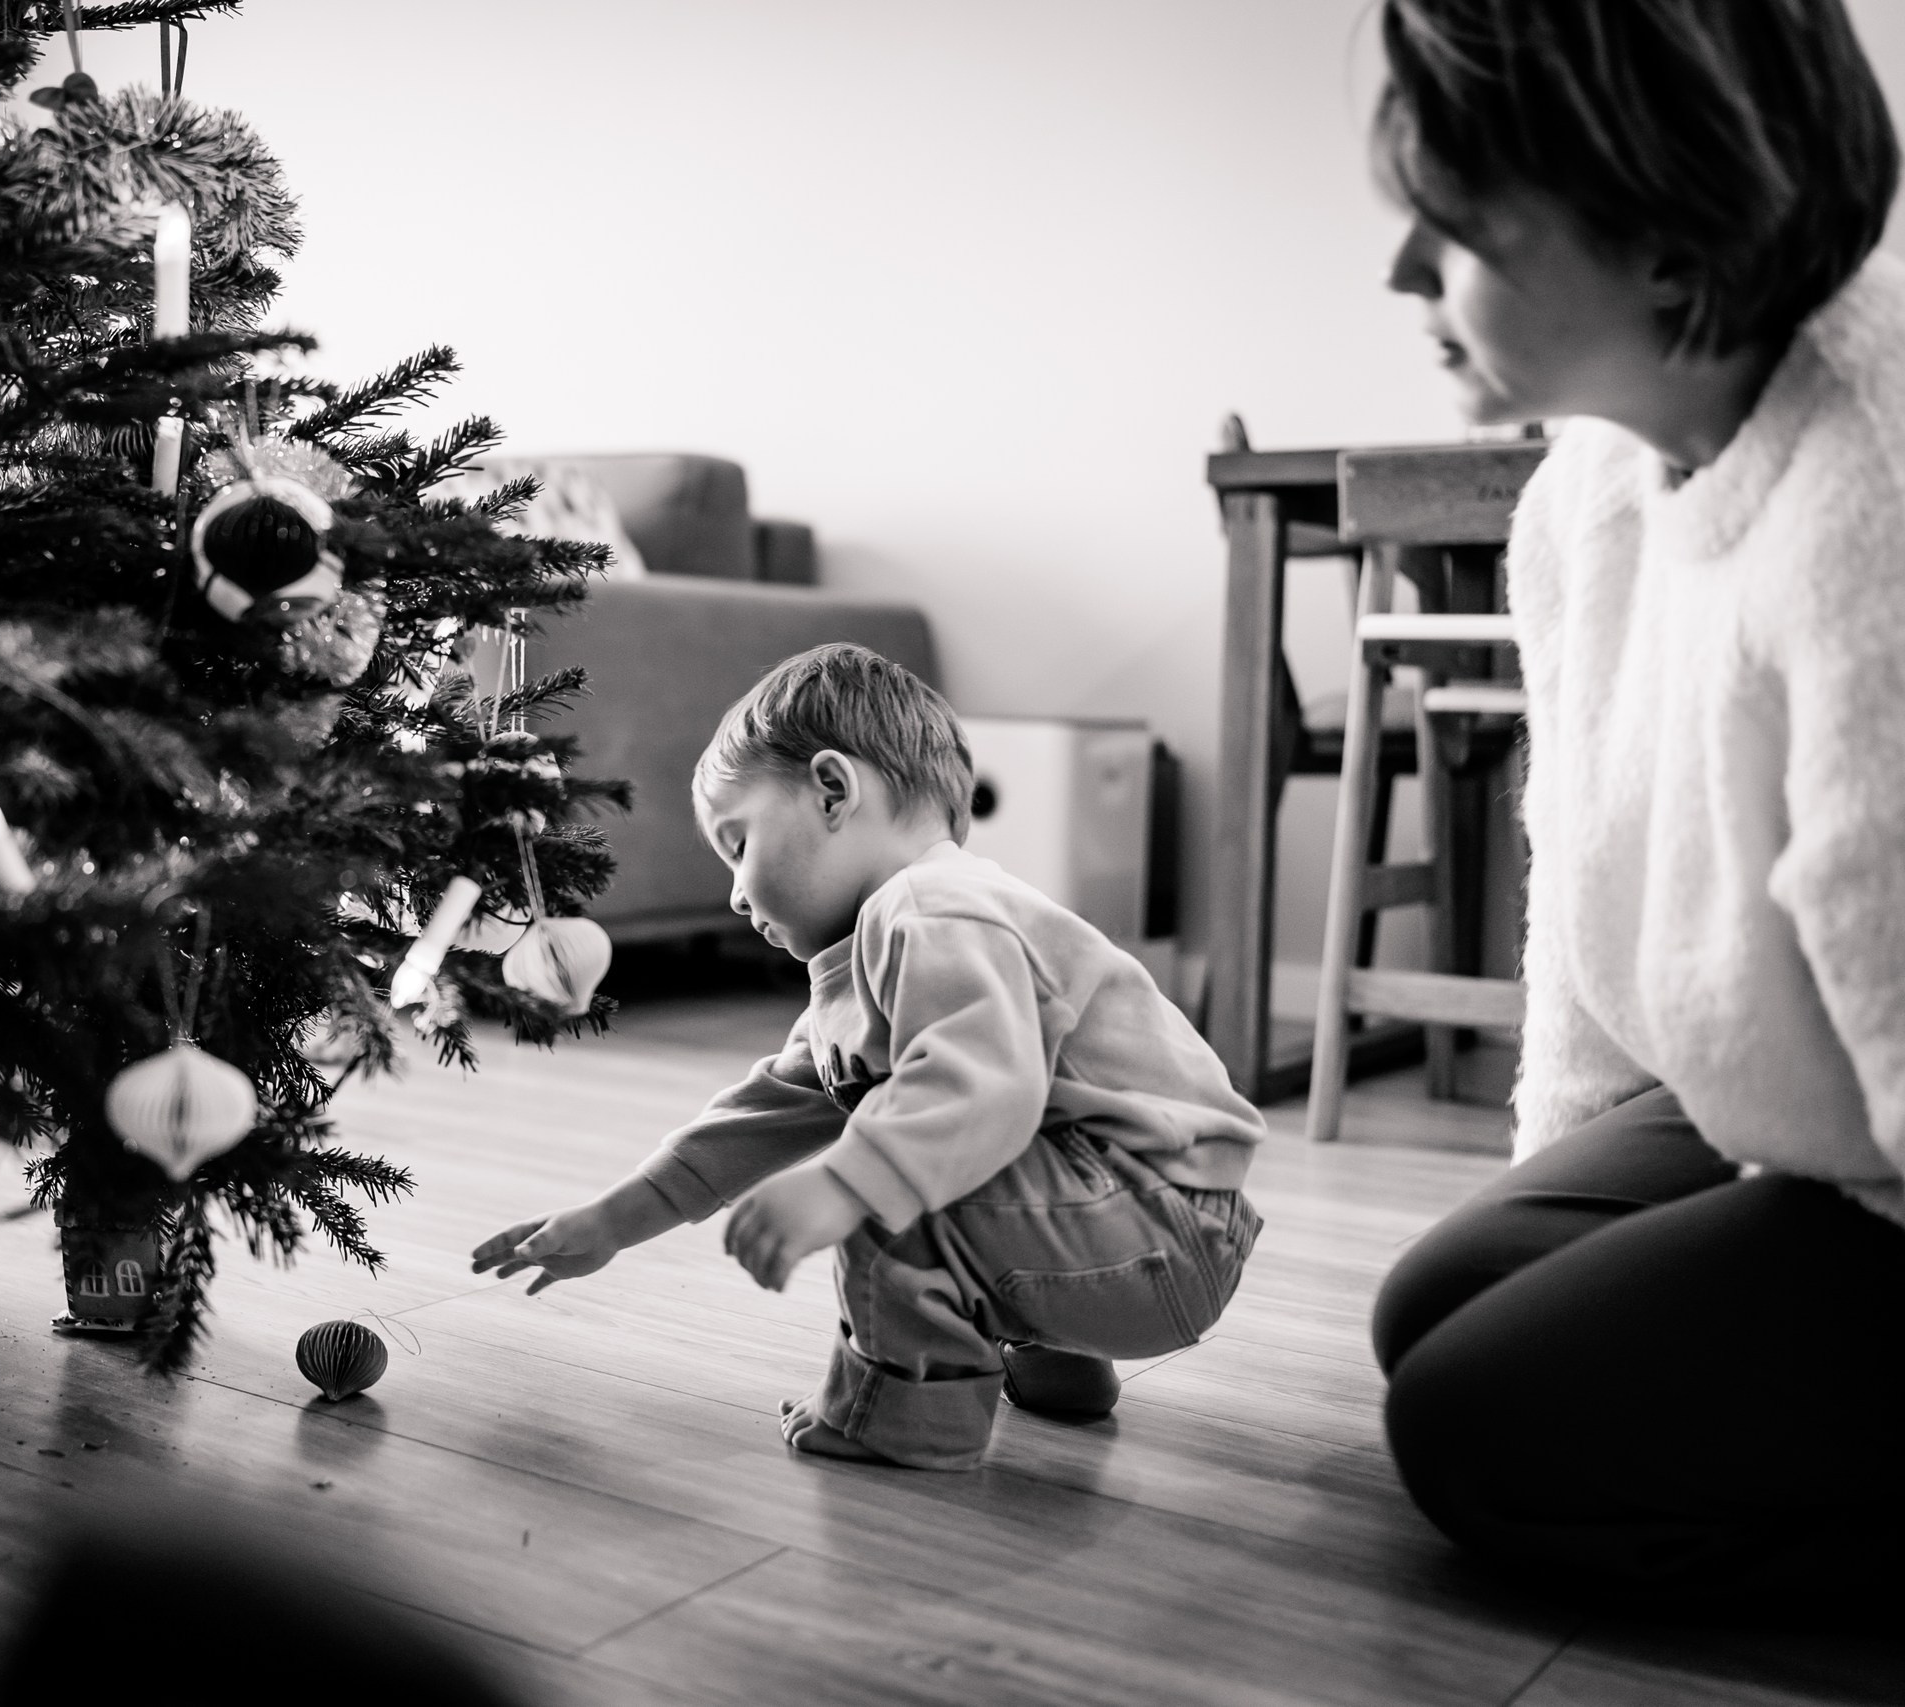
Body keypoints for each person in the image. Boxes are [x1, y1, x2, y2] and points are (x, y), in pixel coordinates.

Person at [1367, 0, 1905, 1605]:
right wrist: (1570, 1169)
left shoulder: (1869, 488)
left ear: (1670, 248)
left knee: (1479, 1431)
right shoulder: (1590, 488)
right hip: (1809, 1088)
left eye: (1451, 223)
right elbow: (1595, 874)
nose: (1403, 272)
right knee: (1435, 1308)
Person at [469, 644, 1263, 1470]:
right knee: (915, 1147)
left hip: (1152, 1223)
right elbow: (757, 1118)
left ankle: (896, 1418)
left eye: (738, 844)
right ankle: (1060, 1361)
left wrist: (841, 1183)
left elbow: (982, 1090)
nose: (737, 895)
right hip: (1145, 1228)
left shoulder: (933, 907)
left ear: (833, 790)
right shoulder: (877, 953)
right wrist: (612, 1220)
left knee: (890, 1172)